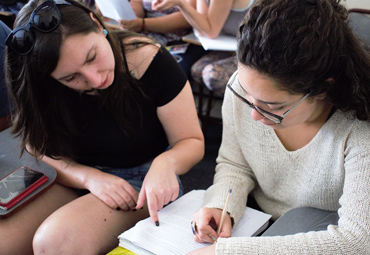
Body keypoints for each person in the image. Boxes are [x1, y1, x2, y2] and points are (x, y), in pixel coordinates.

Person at [2, 0, 204, 254]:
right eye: (71, 78)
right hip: (73, 173)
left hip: (142, 178)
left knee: (55, 242)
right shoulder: (42, 79)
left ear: (98, 25)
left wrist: (166, 163)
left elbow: (192, 142)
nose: (95, 79)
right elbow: (36, 145)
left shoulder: (150, 61)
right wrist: (89, 178)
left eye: (92, 57)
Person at [187, 0, 370, 254]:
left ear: (322, 89)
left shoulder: (359, 130)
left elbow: (356, 241)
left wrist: (226, 252)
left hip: (323, 234)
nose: (253, 114)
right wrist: (220, 206)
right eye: (247, 95)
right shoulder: (244, 89)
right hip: (263, 226)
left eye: (273, 106)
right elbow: (235, 164)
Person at [152, 0, 255, 96]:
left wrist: (181, 4)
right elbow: (202, 27)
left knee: (212, 75)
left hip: (253, 51)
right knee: (197, 71)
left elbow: (210, 31)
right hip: (232, 47)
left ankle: (244, 110)